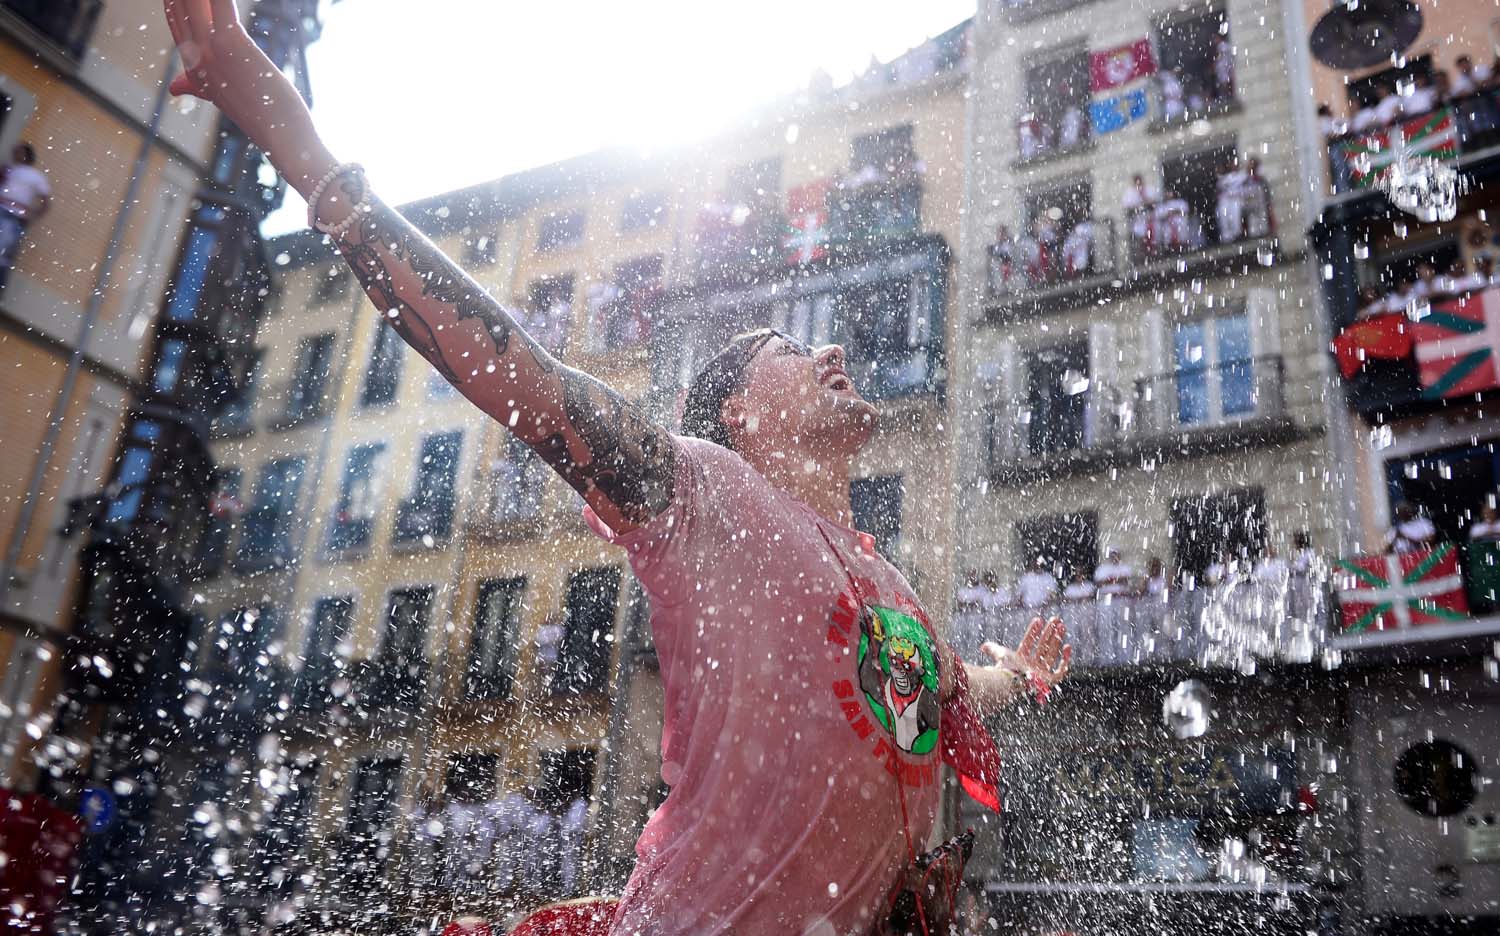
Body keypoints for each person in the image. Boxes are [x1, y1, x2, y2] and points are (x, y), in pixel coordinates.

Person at [158, 5, 1073, 932]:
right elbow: (516, 368)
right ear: (736, 412)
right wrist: (290, 135)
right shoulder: (702, 493)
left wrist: (1023, 675)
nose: (834, 349)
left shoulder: (891, 586)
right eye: (791, 345)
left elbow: (958, 686)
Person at [0, 143, 50, 290]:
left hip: (12, 216)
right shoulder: (8, 168)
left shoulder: (34, 176)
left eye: (19, 151)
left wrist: (32, 216)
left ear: (27, 155)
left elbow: (46, 200)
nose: (15, 153)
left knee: (3, 254)